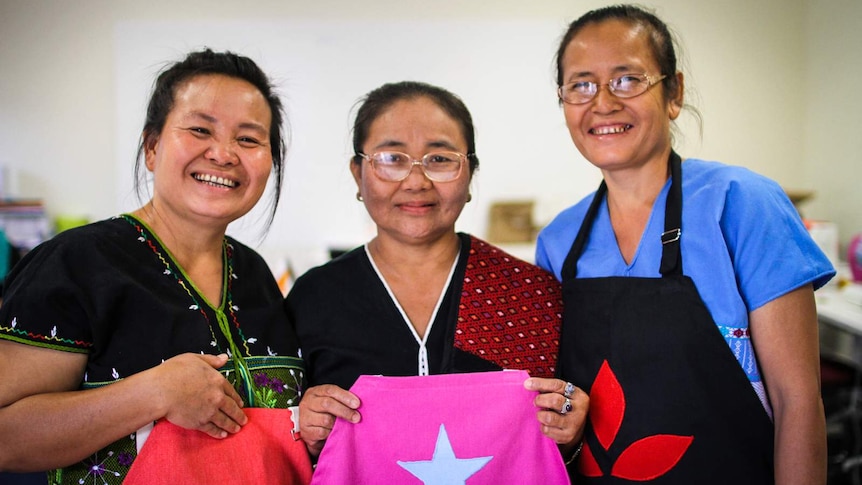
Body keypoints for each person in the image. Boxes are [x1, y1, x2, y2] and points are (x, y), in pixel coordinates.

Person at [536, 5, 835, 484]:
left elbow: (796, 400)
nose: (603, 102)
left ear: (673, 92)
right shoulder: (558, 241)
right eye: (581, 84)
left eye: (628, 79)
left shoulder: (742, 204)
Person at [0, 49, 308, 484]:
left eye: (249, 139)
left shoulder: (256, 274)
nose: (223, 154)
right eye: (200, 129)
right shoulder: (76, 262)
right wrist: (152, 394)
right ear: (152, 147)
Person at [286, 81, 588, 468]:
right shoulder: (314, 296)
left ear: (470, 174)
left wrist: (572, 433)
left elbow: (554, 448)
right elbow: (292, 447)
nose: (416, 182)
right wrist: (304, 429)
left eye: (440, 160)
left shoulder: (529, 292)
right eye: (391, 158)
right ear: (358, 173)